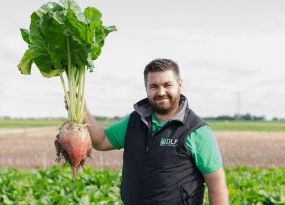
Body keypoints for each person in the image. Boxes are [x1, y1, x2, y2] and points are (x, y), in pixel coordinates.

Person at [82, 58, 229, 205]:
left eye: (167, 85)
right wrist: (82, 108)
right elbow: (101, 141)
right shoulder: (134, 121)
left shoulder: (196, 130)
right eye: (154, 86)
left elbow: (215, 180)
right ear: (146, 88)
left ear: (179, 85)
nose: (161, 92)